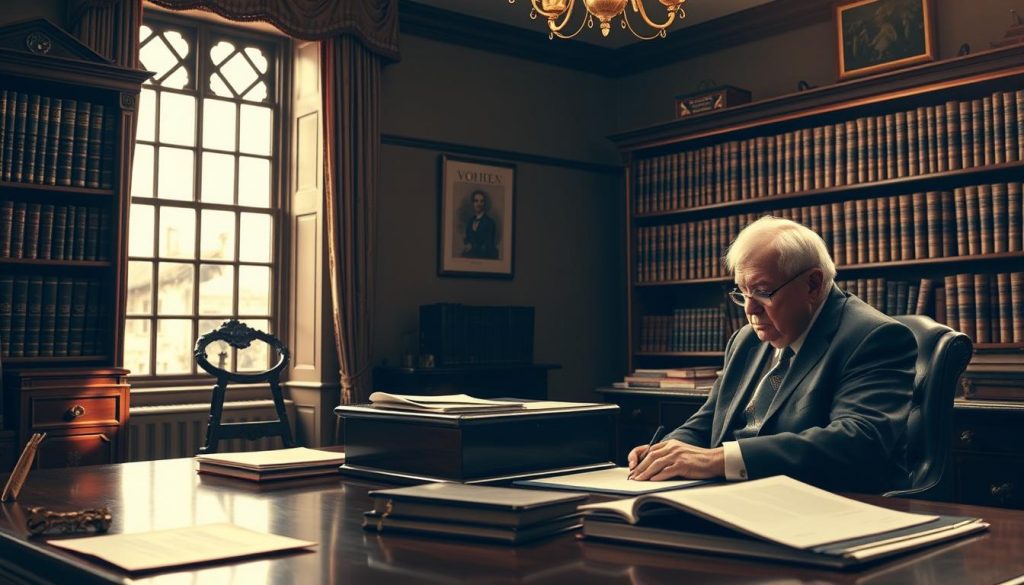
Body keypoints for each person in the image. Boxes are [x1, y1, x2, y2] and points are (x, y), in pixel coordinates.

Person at [627, 216, 917, 493]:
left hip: (823, 507)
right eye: (742, 293)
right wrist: (667, 451)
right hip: (733, 500)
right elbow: (709, 421)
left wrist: (718, 460)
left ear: (813, 285)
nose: (749, 310)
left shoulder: (873, 337)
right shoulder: (746, 341)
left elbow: (858, 443)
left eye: (762, 292)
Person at [462, 190, 498, 259]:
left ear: (484, 203)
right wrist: (467, 243)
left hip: (484, 257)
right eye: (476, 201)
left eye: (481, 201)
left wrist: (472, 246)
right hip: (470, 256)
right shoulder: (470, 221)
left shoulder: (490, 222)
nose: (479, 204)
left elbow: (488, 246)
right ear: (473, 203)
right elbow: (467, 238)